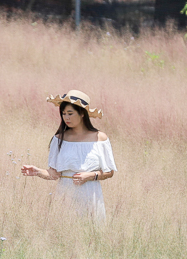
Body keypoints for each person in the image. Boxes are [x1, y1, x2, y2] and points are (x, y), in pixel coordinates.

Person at [21, 90, 117, 220]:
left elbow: (109, 172)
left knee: (91, 233)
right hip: (65, 193)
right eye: (64, 114)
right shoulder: (59, 138)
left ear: (82, 114)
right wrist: (37, 171)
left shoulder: (99, 138)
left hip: (90, 193)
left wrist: (90, 175)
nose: (66, 118)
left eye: (70, 113)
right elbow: (54, 174)